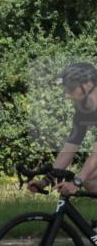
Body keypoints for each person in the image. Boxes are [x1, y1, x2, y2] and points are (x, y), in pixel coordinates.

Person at [27, 62, 97, 196]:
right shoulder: (83, 112)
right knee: (91, 179)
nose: (67, 95)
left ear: (88, 84)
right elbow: (69, 150)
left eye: (71, 88)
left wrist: (76, 182)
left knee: (86, 176)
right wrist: (45, 181)